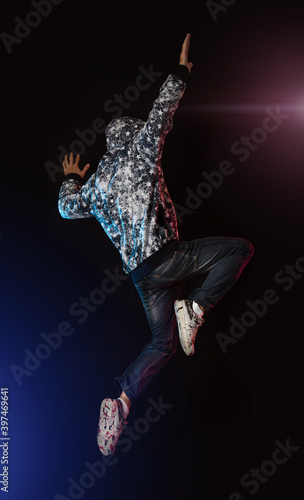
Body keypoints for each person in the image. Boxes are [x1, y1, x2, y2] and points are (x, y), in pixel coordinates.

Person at [58, 34, 254, 456]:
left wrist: (73, 178)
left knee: (162, 344)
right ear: (130, 138)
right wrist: (181, 71)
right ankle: (196, 305)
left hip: (143, 279)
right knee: (239, 250)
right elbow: (161, 113)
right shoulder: (141, 152)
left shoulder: (95, 188)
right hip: (164, 258)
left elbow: (66, 208)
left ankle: (122, 402)